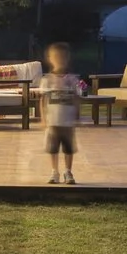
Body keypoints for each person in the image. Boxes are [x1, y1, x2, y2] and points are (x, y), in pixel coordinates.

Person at [38, 43, 85, 184]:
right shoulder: (47, 80)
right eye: (56, 57)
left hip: (67, 122)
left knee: (68, 148)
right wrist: (43, 118)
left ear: (67, 58)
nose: (60, 60)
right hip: (53, 121)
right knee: (53, 148)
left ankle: (68, 171)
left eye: (63, 57)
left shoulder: (72, 80)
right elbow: (43, 100)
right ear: (50, 59)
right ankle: (54, 172)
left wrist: (77, 114)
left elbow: (77, 98)